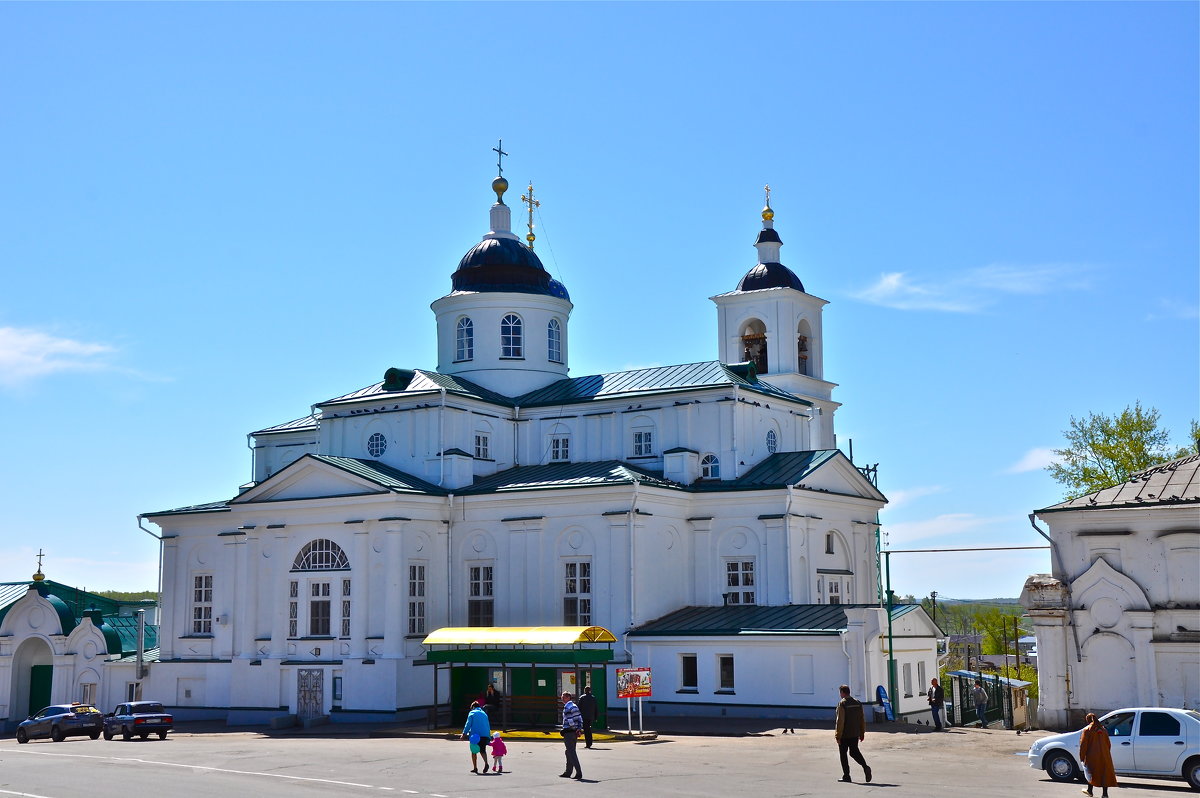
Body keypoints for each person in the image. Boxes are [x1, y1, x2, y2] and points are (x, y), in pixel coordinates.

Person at [834, 684, 872, 784]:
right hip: (855, 733)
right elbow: (861, 718)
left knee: (843, 754)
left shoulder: (842, 703)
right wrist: (862, 732)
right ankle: (865, 767)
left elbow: (840, 721)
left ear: (842, 693)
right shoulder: (857, 703)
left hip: (845, 734)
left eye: (840, 692)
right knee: (854, 751)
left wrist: (838, 735)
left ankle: (846, 776)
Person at [1079, 713, 1117, 798]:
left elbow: (1083, 745)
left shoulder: (1087, 730)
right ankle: (1105, 794)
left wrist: (1082, 757)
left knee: (1091, 772)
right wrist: (1105, 753)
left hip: (1092, 756)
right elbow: (1108, 744)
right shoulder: (1103, 730)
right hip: (1105, 756)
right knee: (1104, 774)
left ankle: (1090, 791)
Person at [461, 701, 492, 774]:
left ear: (473, 707)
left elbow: (468, 724)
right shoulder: (484, 714)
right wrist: (488, 736)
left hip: (475, 735)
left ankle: (475, 768)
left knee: (474, 751)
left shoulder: (472, 713)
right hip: (484, 735)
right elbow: (487, 725)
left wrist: (464, 733)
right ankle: (486, 763)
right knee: (482, 750)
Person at [559, 691, 584, 780]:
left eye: (563, 697)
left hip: (569, 732)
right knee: (568, 752)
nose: (562, 698)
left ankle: (578, 772)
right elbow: (580, 718)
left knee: (571, 752)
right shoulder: (574, 706)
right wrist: (578, 729)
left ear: (568, 698)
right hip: (574, 732)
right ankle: (568, 772)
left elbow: (570, 720)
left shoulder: (567, 707)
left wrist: (571, 728)